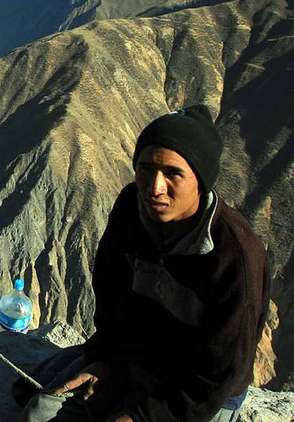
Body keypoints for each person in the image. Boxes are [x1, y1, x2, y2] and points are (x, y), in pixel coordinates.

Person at [18, 105, 270, 422]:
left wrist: (143, 417)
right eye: (146, 169)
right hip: (135, 360)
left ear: (200, 179)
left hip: (198, 395)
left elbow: (221, 374)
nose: (155, 187)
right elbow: (111, 301)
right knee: (40, 414)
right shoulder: (130, 209)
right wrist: (105, 359)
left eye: (173, 173)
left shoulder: (234, 256)